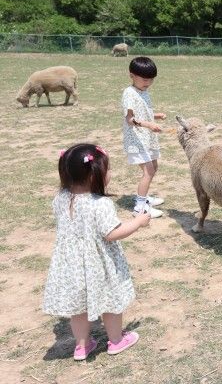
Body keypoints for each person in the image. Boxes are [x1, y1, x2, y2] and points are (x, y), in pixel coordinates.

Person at [42, 144, 150, 360]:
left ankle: (81, 346)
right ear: (94, 175)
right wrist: (138, 221)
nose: (110, 173)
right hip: (98, 264)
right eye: (107, 170)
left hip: (71, 265)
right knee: (110, 302)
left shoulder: (61, 198)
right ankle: (117, 341)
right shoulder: (100, 204)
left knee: (78, 307)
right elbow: (112, 233)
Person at [122, 56, 166, 218]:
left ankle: (145, 197)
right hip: (137, 139)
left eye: (151, 80)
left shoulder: (143, 91)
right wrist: (149, 125)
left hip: (147, 138)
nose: (148, 83)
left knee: (153, 168)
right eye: (144, 79)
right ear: (131, 75)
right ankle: (140, 207)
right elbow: (130, 119)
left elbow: (142, 112)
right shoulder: (129, 93)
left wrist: (155, 115)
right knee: (148, 171)